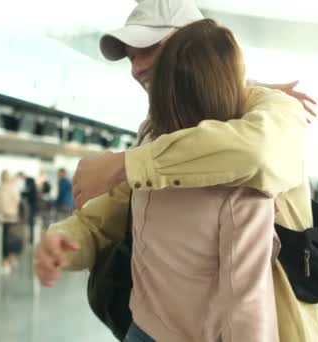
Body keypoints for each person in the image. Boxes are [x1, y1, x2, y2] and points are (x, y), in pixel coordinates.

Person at [36, 1, 318, 341]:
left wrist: (125, 164)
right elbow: (113, 210)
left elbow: (258, 152)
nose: (136, 67)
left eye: (149, 48)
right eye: (130, 56)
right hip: (150, 327)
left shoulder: (269, 111)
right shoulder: (155, 132)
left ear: (193, 46)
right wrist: (69, 237)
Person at [120, 19, 280, 341]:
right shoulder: (241, 185)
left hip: (147, 326)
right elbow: (246, 305)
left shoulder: (149, 141)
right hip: (168, 329)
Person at [18, 172, 39, 242]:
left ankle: (32, 238)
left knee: (31, 221)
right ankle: (32, 237)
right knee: (31, 221)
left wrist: (21, 193)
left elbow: (28, 192)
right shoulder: (30, 181)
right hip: (33, 203)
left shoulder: (29, 181)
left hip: (33, 204)